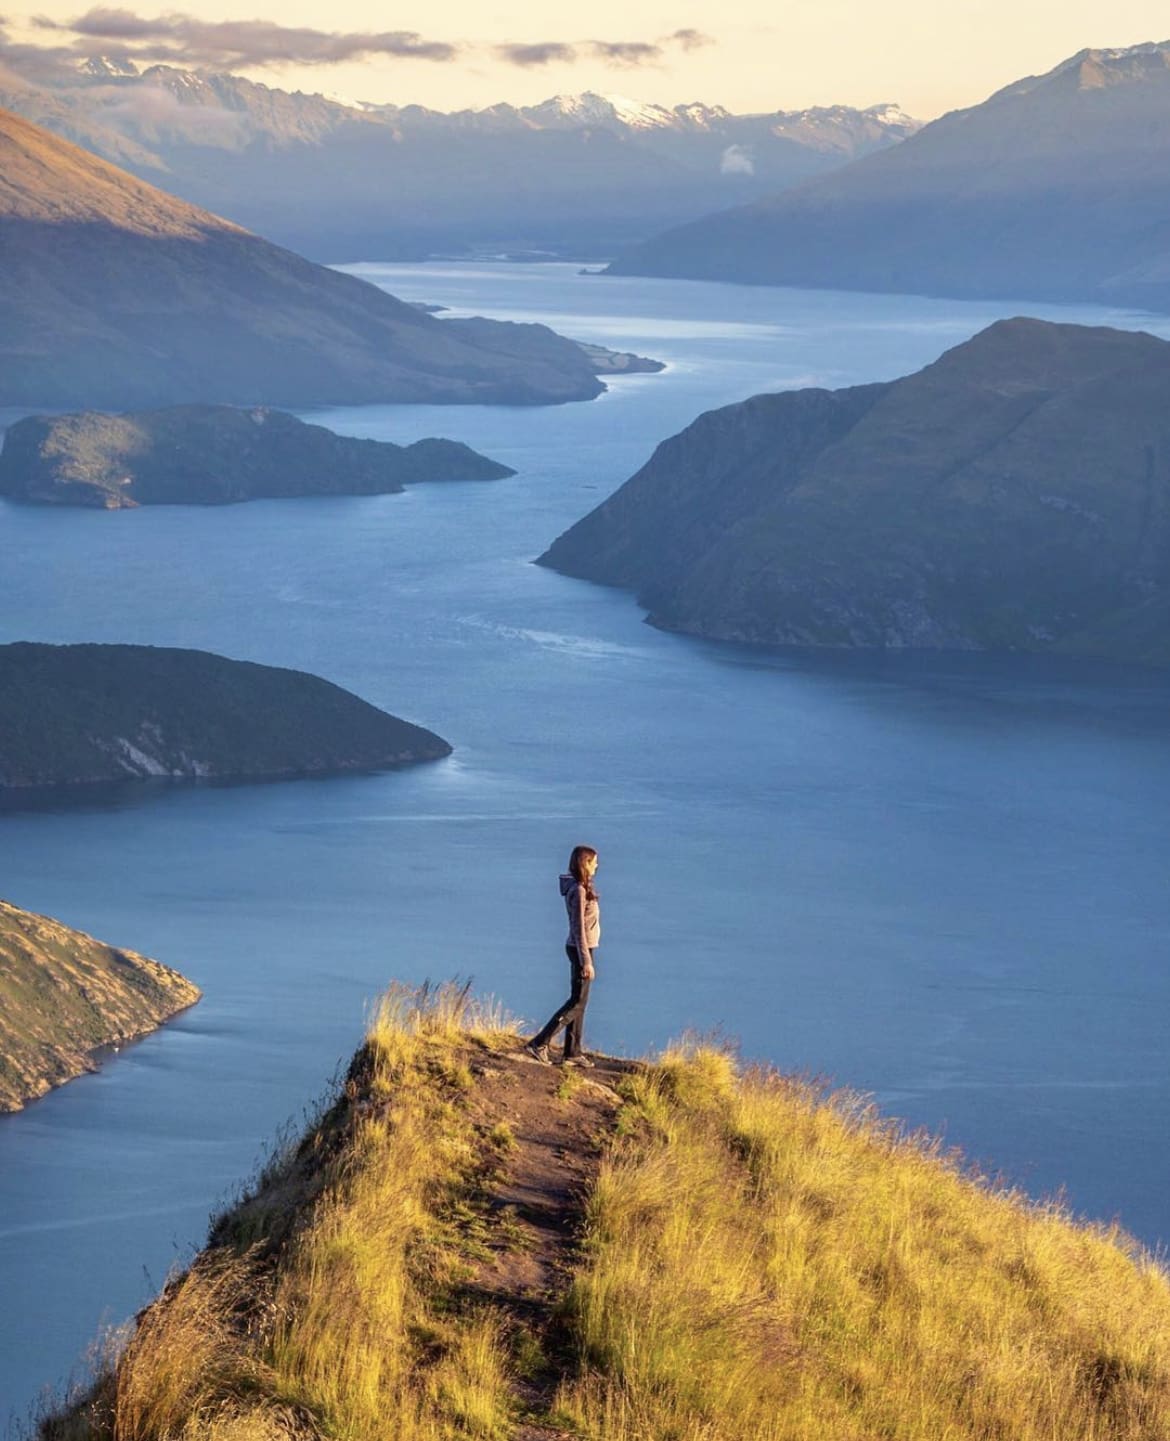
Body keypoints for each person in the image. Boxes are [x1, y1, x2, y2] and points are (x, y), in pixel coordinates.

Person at [527, 844, 600, 1067]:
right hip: (581, 949)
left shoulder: (582, 887)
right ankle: (539, 1043)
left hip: (584, 948)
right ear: (585, 863)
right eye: (594, 862)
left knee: (581, 1002)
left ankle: (572, 1052)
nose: (597, 866)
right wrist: (586, 960)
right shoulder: (578, 890)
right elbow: (578, 928)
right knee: (576, 1002)